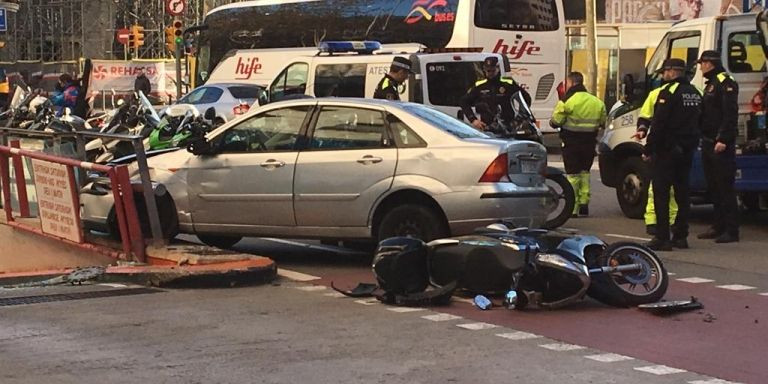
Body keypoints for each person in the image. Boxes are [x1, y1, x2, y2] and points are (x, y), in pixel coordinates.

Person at [633, 59, 701, 251]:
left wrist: (648, 149)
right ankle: (681, 236)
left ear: (672, 72)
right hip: (688, 149)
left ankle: (662, 238)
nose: (663, 75)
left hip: (667, 150)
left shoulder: (667, 92)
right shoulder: (695, 93)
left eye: (665, 72)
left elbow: (660, 124)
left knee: (661, 194)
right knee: (682, 193)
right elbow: (702, 120)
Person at [696, 50, 740, 243]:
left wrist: (724, 138)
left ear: (710, 63)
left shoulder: (725, 82)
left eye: (702, 63)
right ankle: (718, 225)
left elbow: (730, 114)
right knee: (713, 187)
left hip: (720, 144)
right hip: (708, 142)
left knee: (725, 188)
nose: (700, 67)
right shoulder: (711, 84)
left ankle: (732, 230)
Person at [549, 72, 606, 217]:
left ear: (571, 83)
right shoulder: (597, 102)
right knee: (584, 173)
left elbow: (555, 122)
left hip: (571, 143)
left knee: (573, 175)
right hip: (589, 143)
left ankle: (572, 208)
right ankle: (584, 203)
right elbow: (602, 122)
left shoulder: (568, 101)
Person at [635, 73, 679, 237]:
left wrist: (643, 132)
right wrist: (642, 130)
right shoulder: (692, 92)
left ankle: (663, 222)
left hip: (664, 146)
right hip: (675, 146)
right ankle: (660, 222)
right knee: (668, 188)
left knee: (661, 187)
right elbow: (645, 118)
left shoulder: (659, 94)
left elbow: (645, 119)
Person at [459, 56, 531, 131]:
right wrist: (473, 120)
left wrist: (518, 119)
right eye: (488, 71)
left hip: (507, 127)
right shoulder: (480, 85)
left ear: (498, 68)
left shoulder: (508, 83)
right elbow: (463, 101)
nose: (490, 73)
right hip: (487, 127)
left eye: (492, 70)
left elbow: (526, 99)